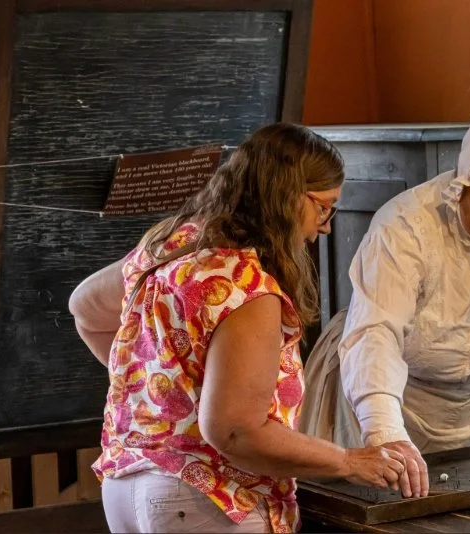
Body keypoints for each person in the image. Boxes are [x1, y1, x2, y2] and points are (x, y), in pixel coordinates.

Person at [68, 123, 406, 533]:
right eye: (324, 207)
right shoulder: (245, 284)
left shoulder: (171, 244)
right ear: (290, 197)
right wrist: (348, 461)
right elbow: (235, 430)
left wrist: (169, 386)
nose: (326, 226)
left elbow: (85, 307)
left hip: (127, 486)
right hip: (208, 498)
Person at [300, 99, 470, 500]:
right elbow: (376, 335)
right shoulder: (407, 228)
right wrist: (384, 432)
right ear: (466, 179)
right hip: (386, 401)